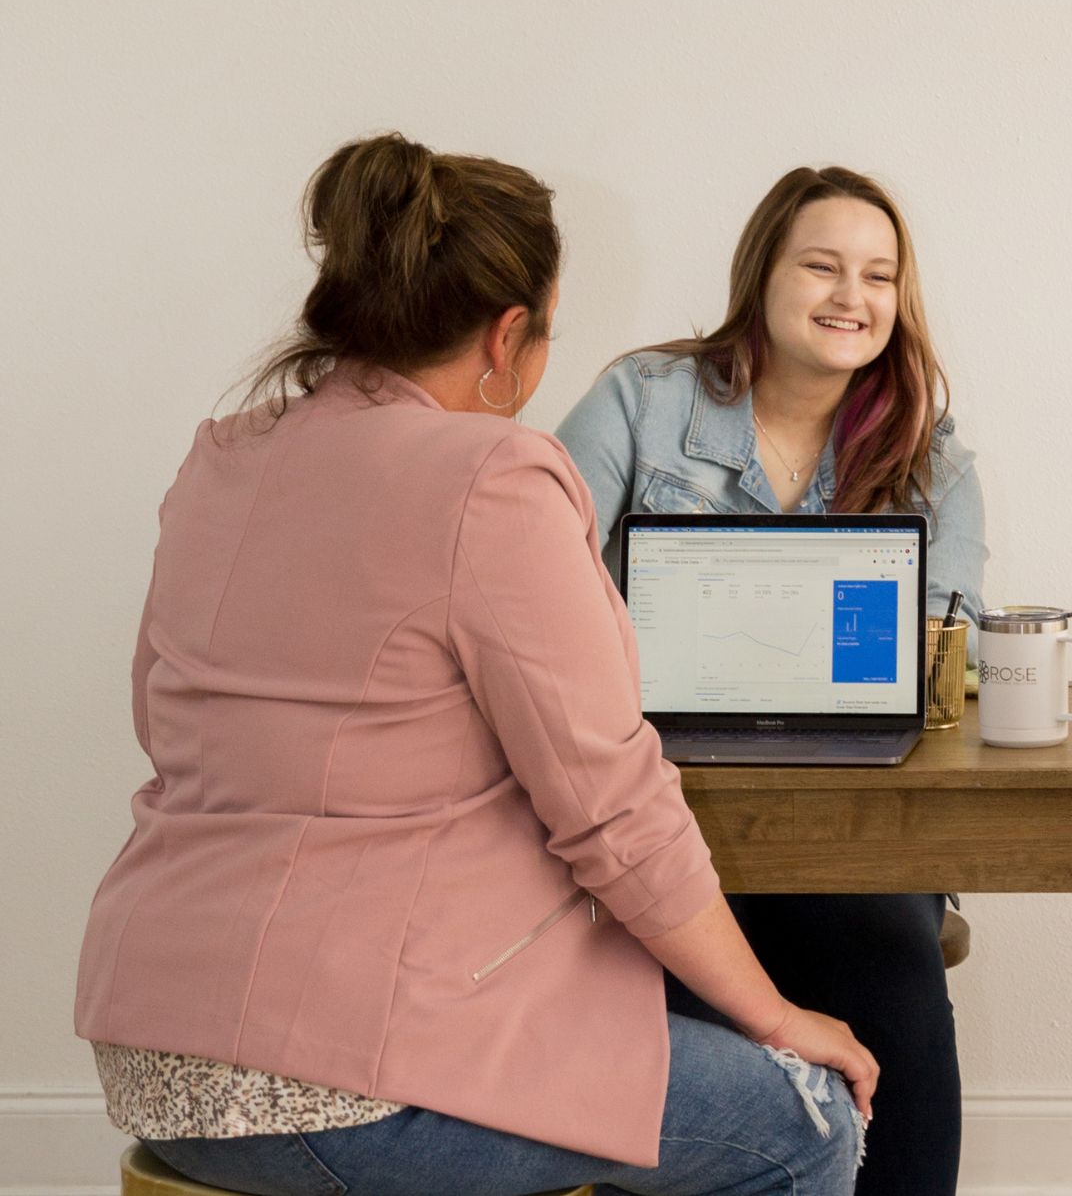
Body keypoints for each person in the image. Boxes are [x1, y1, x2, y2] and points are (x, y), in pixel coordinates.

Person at [75, 135, 873, 1196]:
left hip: (152, 1051)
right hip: (340, 1080)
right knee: (803, 1123)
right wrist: (776, 1017)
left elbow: (165, 718)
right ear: (509, 337)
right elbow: (614, 810)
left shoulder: (224, 455)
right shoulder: (491, 476)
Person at [557, 165, 984, 1196]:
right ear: (761, 276)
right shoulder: (640, 401)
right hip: (651, 806)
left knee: (886, 953)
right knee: (668, 974)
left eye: (878, 276)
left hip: (855, 819)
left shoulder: (933, 454)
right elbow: (531, 584)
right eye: (823, 267)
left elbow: (938, 657)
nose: (852, 297)